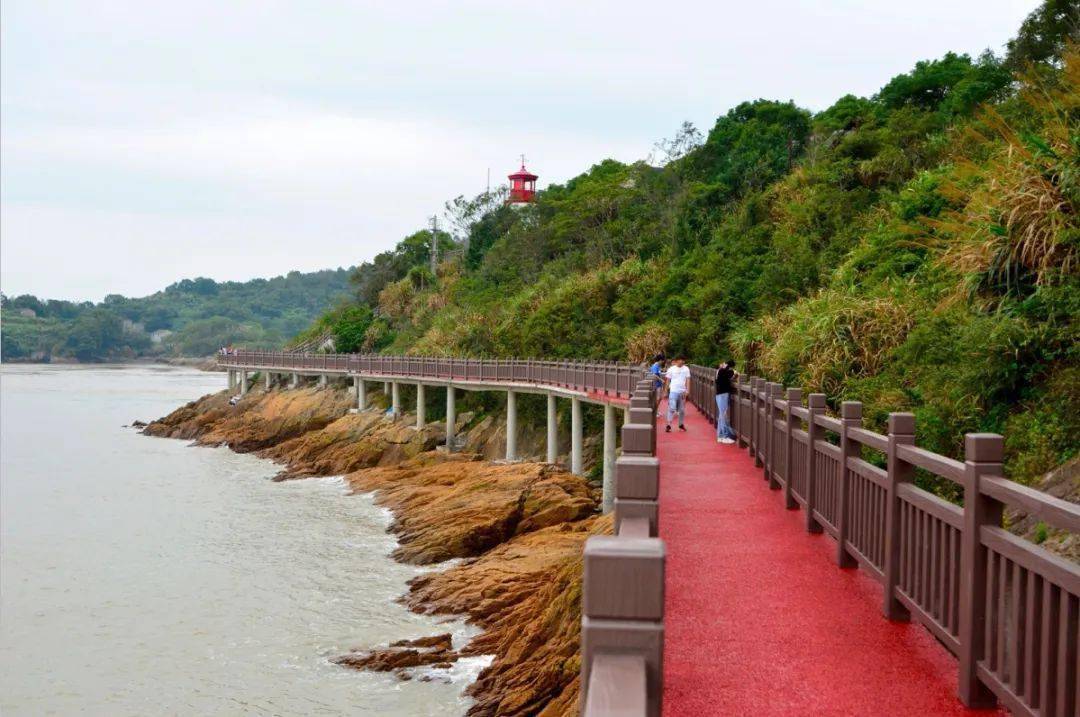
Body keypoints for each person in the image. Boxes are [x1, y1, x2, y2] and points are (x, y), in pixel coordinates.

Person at [663, 356, 691, 432]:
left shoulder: (686, 369)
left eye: (683, 360)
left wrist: (687, 390)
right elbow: (668, 380)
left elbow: (688, 380)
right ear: (677, 361)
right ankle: (669, 425)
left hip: (682, 392)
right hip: (673, 391)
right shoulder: (671, 369)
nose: (682, 362)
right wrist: (665, 391)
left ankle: (681, 424)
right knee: (672, 408)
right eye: (681, 360)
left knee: (681, 410)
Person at [714, 360, 738, 444]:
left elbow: (729, 378)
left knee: (721, 415)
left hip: (719, 395)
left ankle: (720, 436)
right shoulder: (724, 371)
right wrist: (735, 373)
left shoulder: (720, 371)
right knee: (723, 415)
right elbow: (732, 374)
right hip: (723, 395)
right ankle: (724, 436)